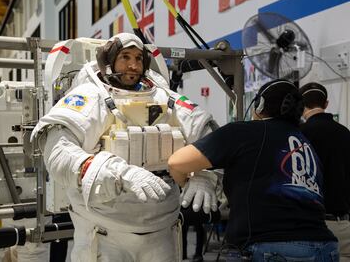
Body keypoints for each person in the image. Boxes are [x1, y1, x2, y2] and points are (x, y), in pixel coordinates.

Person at [31, 32, 218, 262]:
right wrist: (119, 173)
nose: (133, 65)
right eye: (125, 57)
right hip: (105, 233)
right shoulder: (90, 97)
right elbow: (58, 151)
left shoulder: (164, 98)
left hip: (162, 231)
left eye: (139, 58)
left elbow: (209, 134)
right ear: (109, 61)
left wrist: (204, 174)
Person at [168, 79, 339, 261]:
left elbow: (176, 162)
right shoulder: (305, 144)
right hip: (325, 247)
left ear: (259, 104)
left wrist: (193, 181)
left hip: (270, 246)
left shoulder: (243, 132)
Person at [299, 82, 350, 262]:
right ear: (326, 104)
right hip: (342, 227)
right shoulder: (345, 133)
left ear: (301, 106)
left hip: (309, 228)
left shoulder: (299, 135)